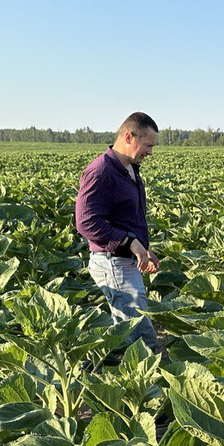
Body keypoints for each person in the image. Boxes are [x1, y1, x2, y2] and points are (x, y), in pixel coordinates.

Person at [75, 111, 161, 352]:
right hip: (112, 262)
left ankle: (124, 381)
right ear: (128, 136)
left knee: (129, 331)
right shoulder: (101, 171)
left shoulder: (130, 169)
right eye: (147, 145)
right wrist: (128, 242)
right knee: (138, 337)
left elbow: (127, 219)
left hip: (124, 261)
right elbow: (85, 222)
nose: (150, 152)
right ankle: (137, 385)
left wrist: (141, 247)